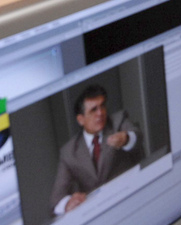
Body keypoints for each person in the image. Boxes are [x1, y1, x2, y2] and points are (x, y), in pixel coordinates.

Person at [49, 84, 143, 216]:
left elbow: (137, 135)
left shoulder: (118, 121)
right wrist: (67, 204)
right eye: (93, 110)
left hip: (131, 199)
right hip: (98, 214)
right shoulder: (69, 152)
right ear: (81, 120)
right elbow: (55, 200)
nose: (100, 113)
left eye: (102, 106)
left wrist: (126, 138)